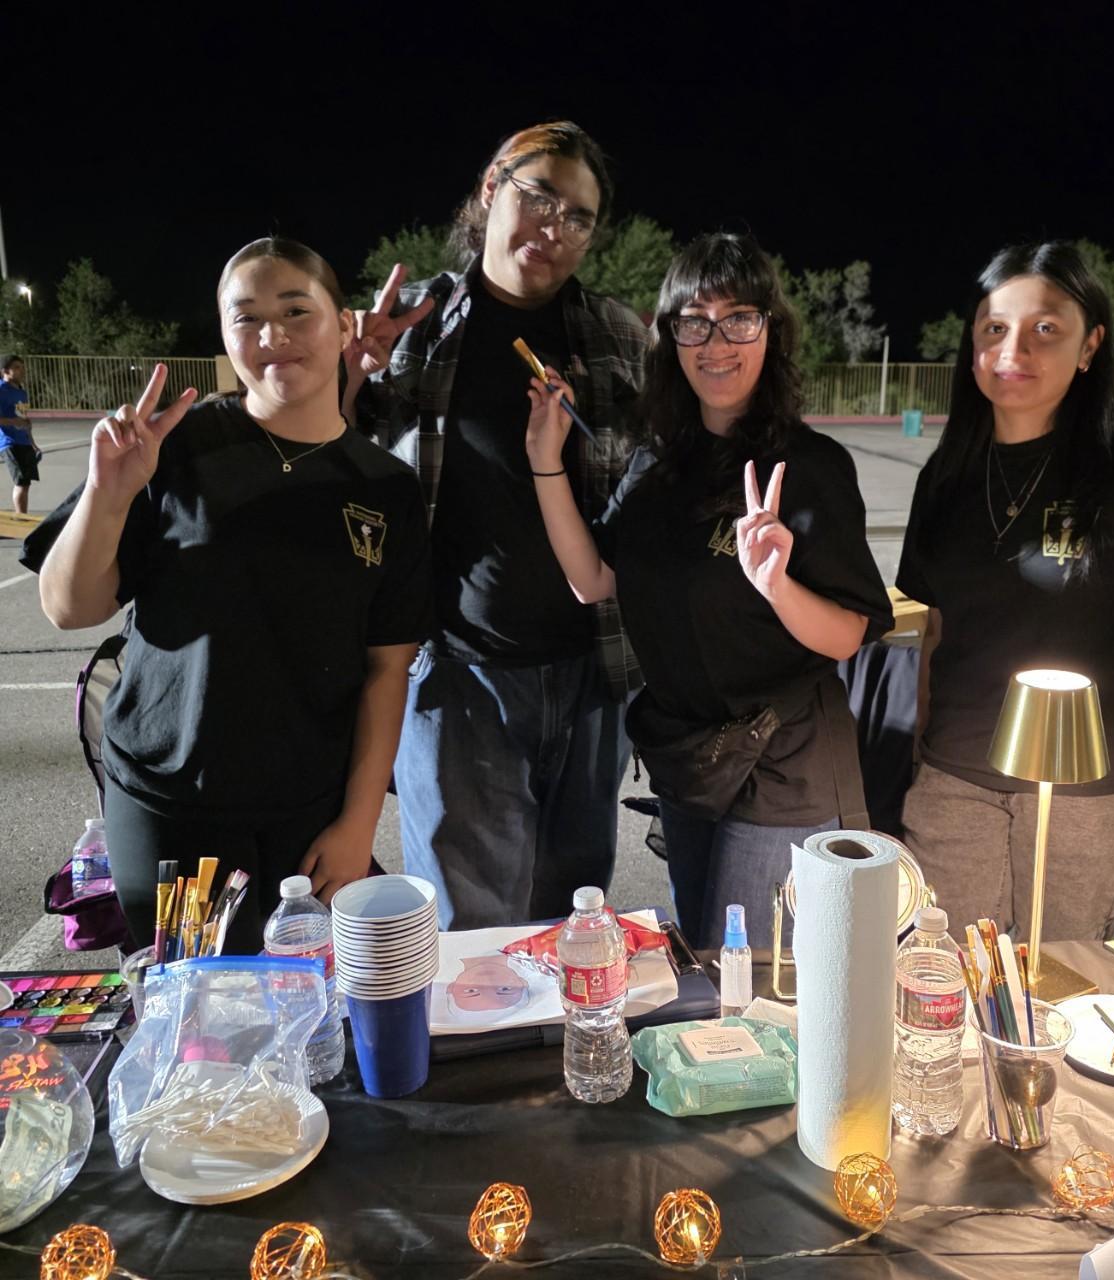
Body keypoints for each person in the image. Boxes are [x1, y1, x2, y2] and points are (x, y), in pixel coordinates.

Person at [21, 238, 432, 951]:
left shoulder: (385, 486)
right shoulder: (174, 445)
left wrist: (358, 824)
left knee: (306, 999)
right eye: (247, 318)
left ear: (342, 324)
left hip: (309, 806)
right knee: (189, 1001)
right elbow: (69, 608)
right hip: (170, 803)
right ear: (224, 334)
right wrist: (107, 493)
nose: (273, 336)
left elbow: (387, 668)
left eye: (296, 311)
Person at [525, 233, 893, 949]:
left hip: (783, 759)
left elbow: (848, 634)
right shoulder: (657, 462)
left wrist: (777, 585)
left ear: (770, 330)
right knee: (700, 954)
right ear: (670, 337)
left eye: (738, 320)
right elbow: (592, 580)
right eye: (694, 322)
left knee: (746, 975)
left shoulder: (809, 466)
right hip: (690, 759)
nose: (716, 343)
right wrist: (546, 462)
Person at [345, 121, 648, 930]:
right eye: (539, 198)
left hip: (591, 678)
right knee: (469, 938)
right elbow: (333, 469)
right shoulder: (411, 325)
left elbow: (655, 487)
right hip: (457, 677)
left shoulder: (617, 335)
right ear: (491, 189)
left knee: (572, 925)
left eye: (578, 217)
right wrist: (348, 379)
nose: (554, 229)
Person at [896, 241, 1114, 942]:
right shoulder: (947, 476)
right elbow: (936, 630)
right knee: (948, 977)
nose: (1013, 349)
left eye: (1045, 327)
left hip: (1090, 787)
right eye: (994, 327)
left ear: (1090, 345)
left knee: (1063, 981)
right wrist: (923, 755)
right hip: (958, 780)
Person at [0, 354, 39, 514]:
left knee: (26, 483)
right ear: (5, 371)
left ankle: (21, 516)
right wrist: (13, 421)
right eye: (16, 367)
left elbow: (24, 419)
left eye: (22, 367)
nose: (22, 371)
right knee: (21, 482)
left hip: (24, 442)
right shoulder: (1, 390)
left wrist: (32, 442)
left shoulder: (22, 393)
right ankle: (21, 519)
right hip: (9, 443)